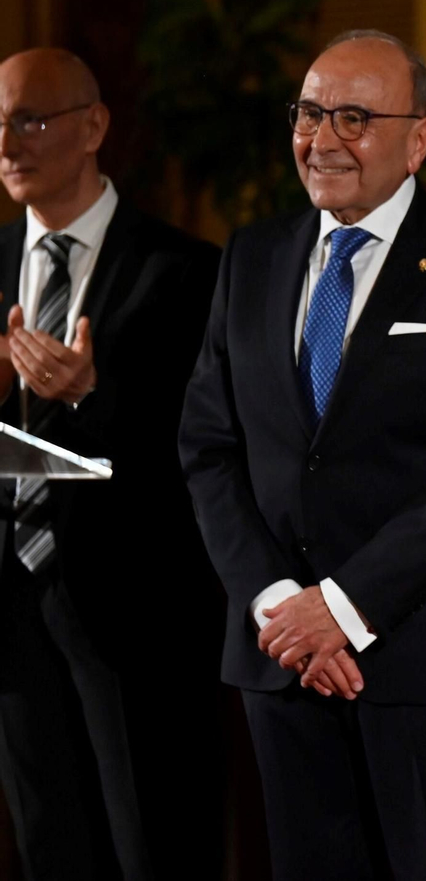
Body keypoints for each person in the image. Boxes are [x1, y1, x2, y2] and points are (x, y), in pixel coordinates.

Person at [179, 30, 426, 880]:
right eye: (309, 113)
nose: (323, 138)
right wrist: (280, 606)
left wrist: (341, 607)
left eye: (354, 117)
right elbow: (208, 446)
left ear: (420, 138)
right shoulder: (252, 257)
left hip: (424, 665)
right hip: (282, 666)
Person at [0, 48, 223, 880]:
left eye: (32, 118)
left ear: (94, 126)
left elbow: (207, 447)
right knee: (48, 846)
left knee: (156, 847)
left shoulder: (186, 269)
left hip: (140, 612)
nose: (10, 142)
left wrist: (94, 394)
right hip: (14, 607)